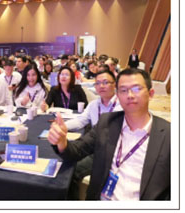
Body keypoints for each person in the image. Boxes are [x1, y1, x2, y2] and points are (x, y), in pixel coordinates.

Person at [47, 68, 170, 200]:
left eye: (136, 89)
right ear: (118, 94)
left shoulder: (169, 135)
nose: (129, 95)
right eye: (123, 90)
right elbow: (76, 150)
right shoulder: (107, 122)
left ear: (150, 94)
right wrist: (62, 142)